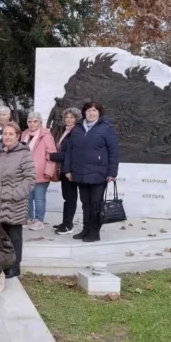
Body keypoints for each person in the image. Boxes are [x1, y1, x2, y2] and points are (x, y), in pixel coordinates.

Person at [64, 102, 120, 243]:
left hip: (99, 173)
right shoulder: (77, 128)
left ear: (99, 113)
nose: (91, 113)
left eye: (94, 110)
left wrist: (112, 172)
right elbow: (70, 151)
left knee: (96, 204)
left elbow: (114, 152)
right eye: (89, 110)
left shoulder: (106, 128)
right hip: (80, 172)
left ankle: (94, 232)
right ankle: (86, 229)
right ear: (84, 112)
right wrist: (68, 170)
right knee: (85, 204)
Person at [0, 122, 36, 278]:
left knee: (14, 237)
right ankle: (5, 263)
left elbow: (30, 178)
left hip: (15, 204)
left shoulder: (24, 154)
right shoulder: (0, 153)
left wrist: (15, 195)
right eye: (5, 134)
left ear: (18, 136)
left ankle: (15, 267)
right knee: (2, 237)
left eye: (11, 134)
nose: (7, 137)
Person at [21, 112, 57, 231]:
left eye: (35, 121)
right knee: (27, 198)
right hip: (26, 173)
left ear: (40, 123)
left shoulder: (46, 135)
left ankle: (39, 220)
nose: (32, 124)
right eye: (30, 121)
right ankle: (29, 218)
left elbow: (52, 155)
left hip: (41, 172)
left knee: (39, 198)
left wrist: (49, 171)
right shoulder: (24, 134)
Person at [49, 108, 82, 235]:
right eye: (67, 117)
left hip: (71, 170)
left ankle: (68, 225)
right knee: (67, 197)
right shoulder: (66, 130)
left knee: (70, 198)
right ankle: (65, 222)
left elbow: (71, 154)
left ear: (77, 119)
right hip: (64, 169)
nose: (68, 119)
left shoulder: (76, 132)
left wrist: (52, 156)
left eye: (71, 117)